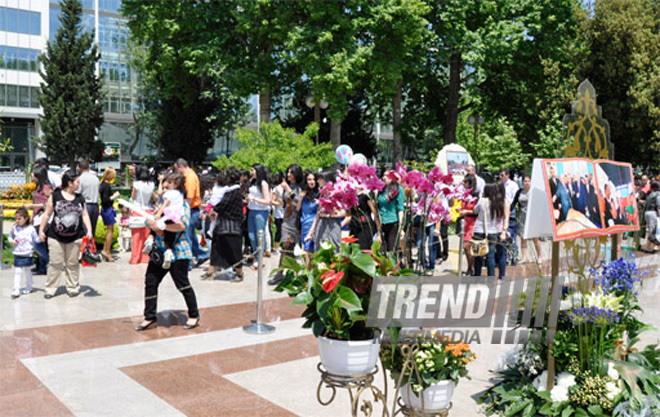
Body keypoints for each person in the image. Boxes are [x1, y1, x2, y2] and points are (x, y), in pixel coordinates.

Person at [135, 199, 200, 331]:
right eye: (163, 187)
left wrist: (161, 227)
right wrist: (154, 226)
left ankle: (194, 314)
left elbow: (182, 225)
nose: (164, 190)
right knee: (151, 282)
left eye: (168, 186)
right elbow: (148, 221)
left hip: (178, 252)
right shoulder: (161, 204)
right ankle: (150, 317)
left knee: (182, 284)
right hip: (159, 251)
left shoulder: (183, 206)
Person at [39, 171, 93, 298]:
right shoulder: (56, 195)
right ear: (70, 183)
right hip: (55, 235)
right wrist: (41, 230)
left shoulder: (80, 198)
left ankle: (72, 286)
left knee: (73, 263)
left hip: (75, 236)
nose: (79, 184)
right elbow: (47, 214)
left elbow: (84, 214)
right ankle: (50, 288)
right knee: (55, 263)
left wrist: (89, 230)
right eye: (77, 182)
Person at [207, 168, 245, 282]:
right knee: (216, 248)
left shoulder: (233, 191)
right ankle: (211, 271)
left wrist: (213, 210)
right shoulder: (231, 190)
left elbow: (223, 204)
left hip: (231, 224)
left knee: (233, 249)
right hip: (223, 223)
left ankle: (239, 273)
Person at [144, 172, 186, 270]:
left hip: (167, 213)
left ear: (176, 184)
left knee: (156, 226)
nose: (166, 184)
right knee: (169, 234)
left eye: (169, 182)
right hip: (176, 216)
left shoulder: (169, 193)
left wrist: (158, 213)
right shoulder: (180, 194)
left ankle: (150, 241)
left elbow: (165, 205)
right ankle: (169, 252)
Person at [268, 164, 302, 285]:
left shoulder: (299, 187)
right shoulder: (288, 187)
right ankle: (284, 273)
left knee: (289, 247)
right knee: (287, 246)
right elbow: (285, 203)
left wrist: (287, 188)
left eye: (291, 173)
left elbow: (298, 200)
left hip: (296, 221)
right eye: (288, 172)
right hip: (286, 220)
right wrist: (278, 201)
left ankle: (287, 273)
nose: (289, 175)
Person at [175, 158, 209, 267]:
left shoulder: (190, 177)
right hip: (192, 209)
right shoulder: (190, 176)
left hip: (191, 209)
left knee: (187, 237)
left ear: (181, 167)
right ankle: (202, 255)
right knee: (192, 236)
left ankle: (187, 263)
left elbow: (189, 197)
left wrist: (183, 211)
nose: (177, 172)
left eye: (177, 169)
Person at [472, 183, 507, 278]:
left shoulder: (482, 201)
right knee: (490, 256)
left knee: (478, 254)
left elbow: (475, 211)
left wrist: (480, 198)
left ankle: (477, 275)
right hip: (493, 231)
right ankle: (491, 277)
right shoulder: (496, 202)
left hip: (479, 230)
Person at [511, 174, 543, 264]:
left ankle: (539, 256)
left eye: (528, 181)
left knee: (535, 238)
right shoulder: (519, 192)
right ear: (522, 182)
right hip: (522, 216)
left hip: (532, 216)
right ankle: (524, 257)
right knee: (523, 238)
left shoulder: (534, 192)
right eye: (525, 181)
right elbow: (514, 203)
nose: (527, 183)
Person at [9, 207, 39, 299]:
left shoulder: (31, 229)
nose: (17, 221)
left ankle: (29, 286)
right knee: (18, 271)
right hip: (18, 253)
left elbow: (36, 239)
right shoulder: (14, 228)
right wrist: (11, 241)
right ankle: (16, 289)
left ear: (25, 218)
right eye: (16, 218)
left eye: (19, 218)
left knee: (28, 270)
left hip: (28, 253)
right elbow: (10, 237)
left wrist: (41, 238)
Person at [28, 165, 52, 275]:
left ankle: (50, 262)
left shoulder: (46, 187)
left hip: (44, 218)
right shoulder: (38, 187)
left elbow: (48, 204)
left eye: (34, 174)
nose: (32, 175)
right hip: (37, 217)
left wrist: (32, 205)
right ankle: (42, 267)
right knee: (40, 243)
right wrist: (33, 215)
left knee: (38, 243)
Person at [246, 164, 271, 269]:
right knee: (251, 235)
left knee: (259, 235)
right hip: (251, 210)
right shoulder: (252, 182)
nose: (251, 172)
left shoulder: (263, 184)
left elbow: (267, 200)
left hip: (261, 211)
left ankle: (259, 259)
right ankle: (256, 256)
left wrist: (254, 199)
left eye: (253, 170)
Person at [130, 164, 155, 264]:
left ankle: (135, 258)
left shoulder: (136, 184)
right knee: (146, 236)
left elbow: (133, 197)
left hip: (137, 210)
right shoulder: (151, 184)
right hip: (148, 211)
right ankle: (145, 258)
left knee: (136, 237)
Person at [378, 170, 405, 253]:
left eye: (387, 176)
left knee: (391, 250)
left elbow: (400, 208)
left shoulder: (398, 190)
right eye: (384, 175)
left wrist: (401, 226)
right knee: (381, 250)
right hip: (381, 222)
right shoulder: (381, 190)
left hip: (393, 222)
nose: (384, 177)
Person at [98, 167, 121, 262]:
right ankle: (107, 251)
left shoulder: (102, 184)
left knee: (109, 231)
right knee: (110, 231)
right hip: (107, 209)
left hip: (106, 209)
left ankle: (105, 250)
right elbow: (105, 200)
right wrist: (114, 196)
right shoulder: (106, 186)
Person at [459, 174, 479, 276]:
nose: (463, 183)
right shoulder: (464, 194)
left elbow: (477, 211)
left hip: (473, 223)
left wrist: (466, 211)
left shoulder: (476, 195)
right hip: (465, 223)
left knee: (468, 246)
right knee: (465, 248)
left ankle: (472, 268)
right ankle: (470, 267)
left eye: (465, 181)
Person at [300, 170, 319, 268]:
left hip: (313, 224)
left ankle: (309, 276)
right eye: (309, 179)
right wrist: (300, 198)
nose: (311, 182)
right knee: (306, 251)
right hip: (304, 223)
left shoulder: (319, 194)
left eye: (313, 179)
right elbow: (298, 209)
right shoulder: (304, 194)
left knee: (309, 250)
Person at [77, 160, 100, 238]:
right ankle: (91, 247)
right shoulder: (95, 178)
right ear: (89, 167)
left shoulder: (80, 179)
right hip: (95, 205)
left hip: (86, 205)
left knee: (85, 229)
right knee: (92, 229)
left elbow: (78, 192)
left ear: (79, 168)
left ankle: (86, 248)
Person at [642, 181, 660, 253]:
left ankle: (649, 246)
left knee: (651, 229)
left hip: (647, 213)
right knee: (654, 231)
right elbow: (659, 206)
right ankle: (656, 244)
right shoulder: (657, 195)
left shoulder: (649, 194)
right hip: (653, 213)